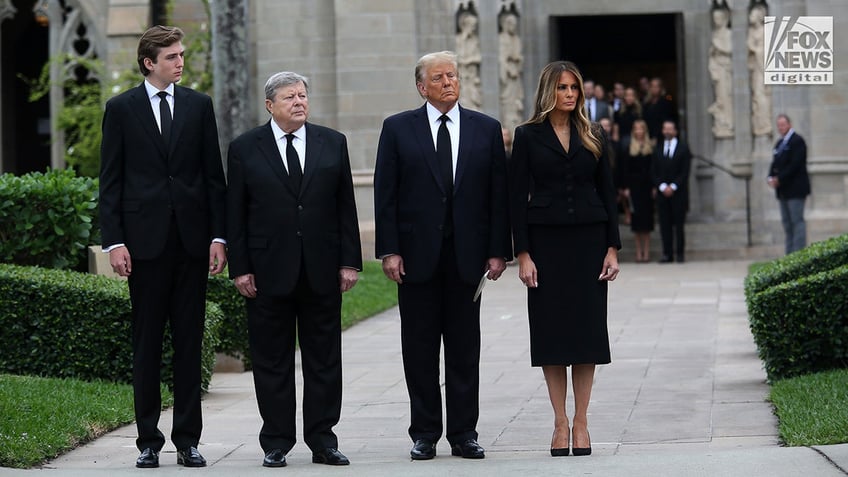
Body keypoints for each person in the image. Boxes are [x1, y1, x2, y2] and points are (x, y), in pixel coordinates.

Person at [374, 50, 511, 461]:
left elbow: (497, 196)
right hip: (416, 258)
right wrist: (390, 250)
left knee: (464, 349)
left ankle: (464, 433)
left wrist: (498, 250)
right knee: (418, 348)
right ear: (422, 87)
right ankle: (425, 433)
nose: (449, 82)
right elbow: (386, 194)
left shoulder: (485, 129)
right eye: (439, 77)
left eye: (453, 75)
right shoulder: (398, 129)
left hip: (467, 258)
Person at [99, 25, 226, 468]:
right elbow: (111, 181)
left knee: (189, 345)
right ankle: (148, 442)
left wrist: (217, 236)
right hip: (144, 246)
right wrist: (114, 241)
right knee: (147, 345)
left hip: (191, 245)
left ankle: (188, 440)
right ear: (149, 62)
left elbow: (213, 177)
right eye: (171, 56)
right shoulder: (121, 109)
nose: (180, 61)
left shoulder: (198, 105)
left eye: (181, 54)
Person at [226, 71, 362, 468]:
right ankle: (277, 441)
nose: (299, 102)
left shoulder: (332, 143)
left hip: (321, 269)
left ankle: (323, 439)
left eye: (303, 95)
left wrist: (349, 261)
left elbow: (345, 208)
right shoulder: (245, 148)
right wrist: (241, 268)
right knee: (272, 360)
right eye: (290, 97)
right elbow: (236, 214)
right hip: (267, 272)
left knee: (324, 359)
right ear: (270, 105)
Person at [509, 60, 621, 457]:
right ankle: (559, 423)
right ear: (548, 92)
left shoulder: (594, 133)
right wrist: (522, 253)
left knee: (587, 337)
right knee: (552, 336)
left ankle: (582, 422)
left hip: (589, 244)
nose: (570, 94)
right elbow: (515, 198)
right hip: (546, 246)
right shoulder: (526, 136)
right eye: (562, 88)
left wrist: (612, 247)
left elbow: (607, 191)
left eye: (574, 88)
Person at [767, 114, 810, 254]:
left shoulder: (797, 141)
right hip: (783, 191)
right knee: (787, 223)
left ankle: (798, 253)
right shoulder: (779, 144)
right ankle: (789, 255)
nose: (781, 127)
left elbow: (795, 165)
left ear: (789, 124)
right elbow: (775, 163)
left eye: (783, 124)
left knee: (797, 221)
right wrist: (770, 177)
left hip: (796, 189)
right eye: (779, 125)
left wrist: (779, 178)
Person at [652, 120, 691, 263]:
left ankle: (680, 254)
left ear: (675, 131)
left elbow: (685, 171)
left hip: (678, 193)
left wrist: (673, 186)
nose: (667, 131)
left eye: (670, 129)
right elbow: (653, 170)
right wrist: (662, 186)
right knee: (664, 225)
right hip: (662, 193)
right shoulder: (658, 148)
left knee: (679, 225)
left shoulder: (683, 148)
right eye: (665, 129)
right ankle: (667, 254)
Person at [622, 120, 655, 262]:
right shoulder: (629, 147)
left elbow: (654, 169)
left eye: (641, 128)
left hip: (647, 187)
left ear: (644, 131)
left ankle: (646, 252)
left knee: (647, 222)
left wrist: (654, 186)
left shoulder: (650, 147)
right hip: (634, 188)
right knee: (636, 223)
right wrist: (627, 187)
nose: (639, 131)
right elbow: (626, 170)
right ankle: (638, 253)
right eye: (636, 129)